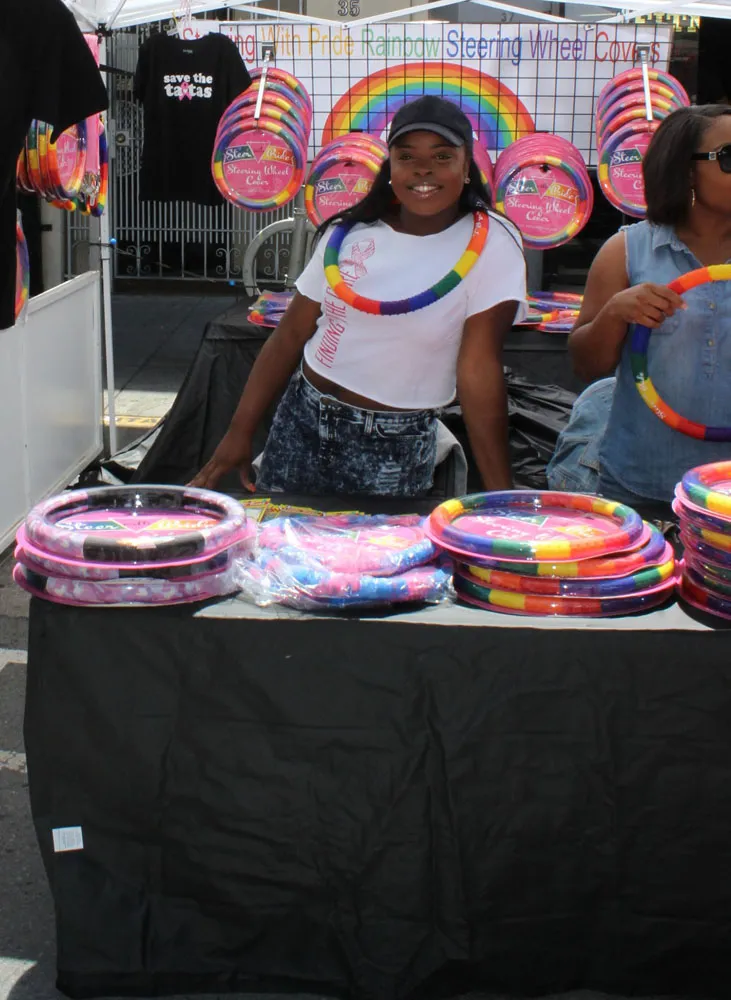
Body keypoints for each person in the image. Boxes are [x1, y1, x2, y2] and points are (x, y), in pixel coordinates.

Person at [191, 95, 527, 498]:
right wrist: (238, 433)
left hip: (393, 448)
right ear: (391, 166)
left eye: (442, 156)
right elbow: (290, 334)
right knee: (282, 537)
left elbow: (478, 369)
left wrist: (503, 497)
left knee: (375, 544)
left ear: (467, 166)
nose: (423, 169)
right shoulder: (348, 232)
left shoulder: (492, 243)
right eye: (406, 156)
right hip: (301, 421)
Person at [547, 104, 731, 506]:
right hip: (640, 484)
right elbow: (586, 366)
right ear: (685, 170)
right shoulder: (626, 251)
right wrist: (616, 312)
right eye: (728, 157)